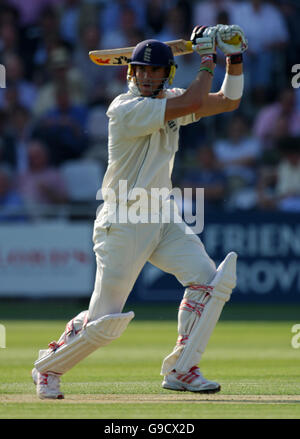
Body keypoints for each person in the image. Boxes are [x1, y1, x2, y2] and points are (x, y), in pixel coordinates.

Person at [32, 24, 248, 399]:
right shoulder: (125, 107)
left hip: (161, 217)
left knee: (209, 282)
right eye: (141, 70)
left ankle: (182, 369)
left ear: (167, 74)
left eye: (155, 71)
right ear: (131, 73)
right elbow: (196, 101)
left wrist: (235, 58)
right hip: (124, 220)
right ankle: (48, 367)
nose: (147, 77)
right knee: (104, 322)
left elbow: (228, 101)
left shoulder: (174, 100)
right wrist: (208, 57)